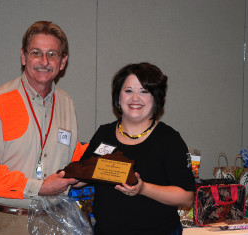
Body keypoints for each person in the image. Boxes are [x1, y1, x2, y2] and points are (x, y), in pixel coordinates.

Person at [0, 21, 87, 235]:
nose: (44, 61)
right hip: (9, 223)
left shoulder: (66, 103)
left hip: (56, 220)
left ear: (63, 62)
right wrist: (40, 188)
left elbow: (70, 156)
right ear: (24, 57)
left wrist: (84, 171)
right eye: (36, 53)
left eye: (52, 54)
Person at [78, 62, 196, 235]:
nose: (135, 98)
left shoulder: (169, 139)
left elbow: (186, 197)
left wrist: (143, 189)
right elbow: (85, 173)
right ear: (118, 97)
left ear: (156, 98)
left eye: (144, 91)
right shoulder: (104, 134)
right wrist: (67, 178)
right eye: (128, 91)